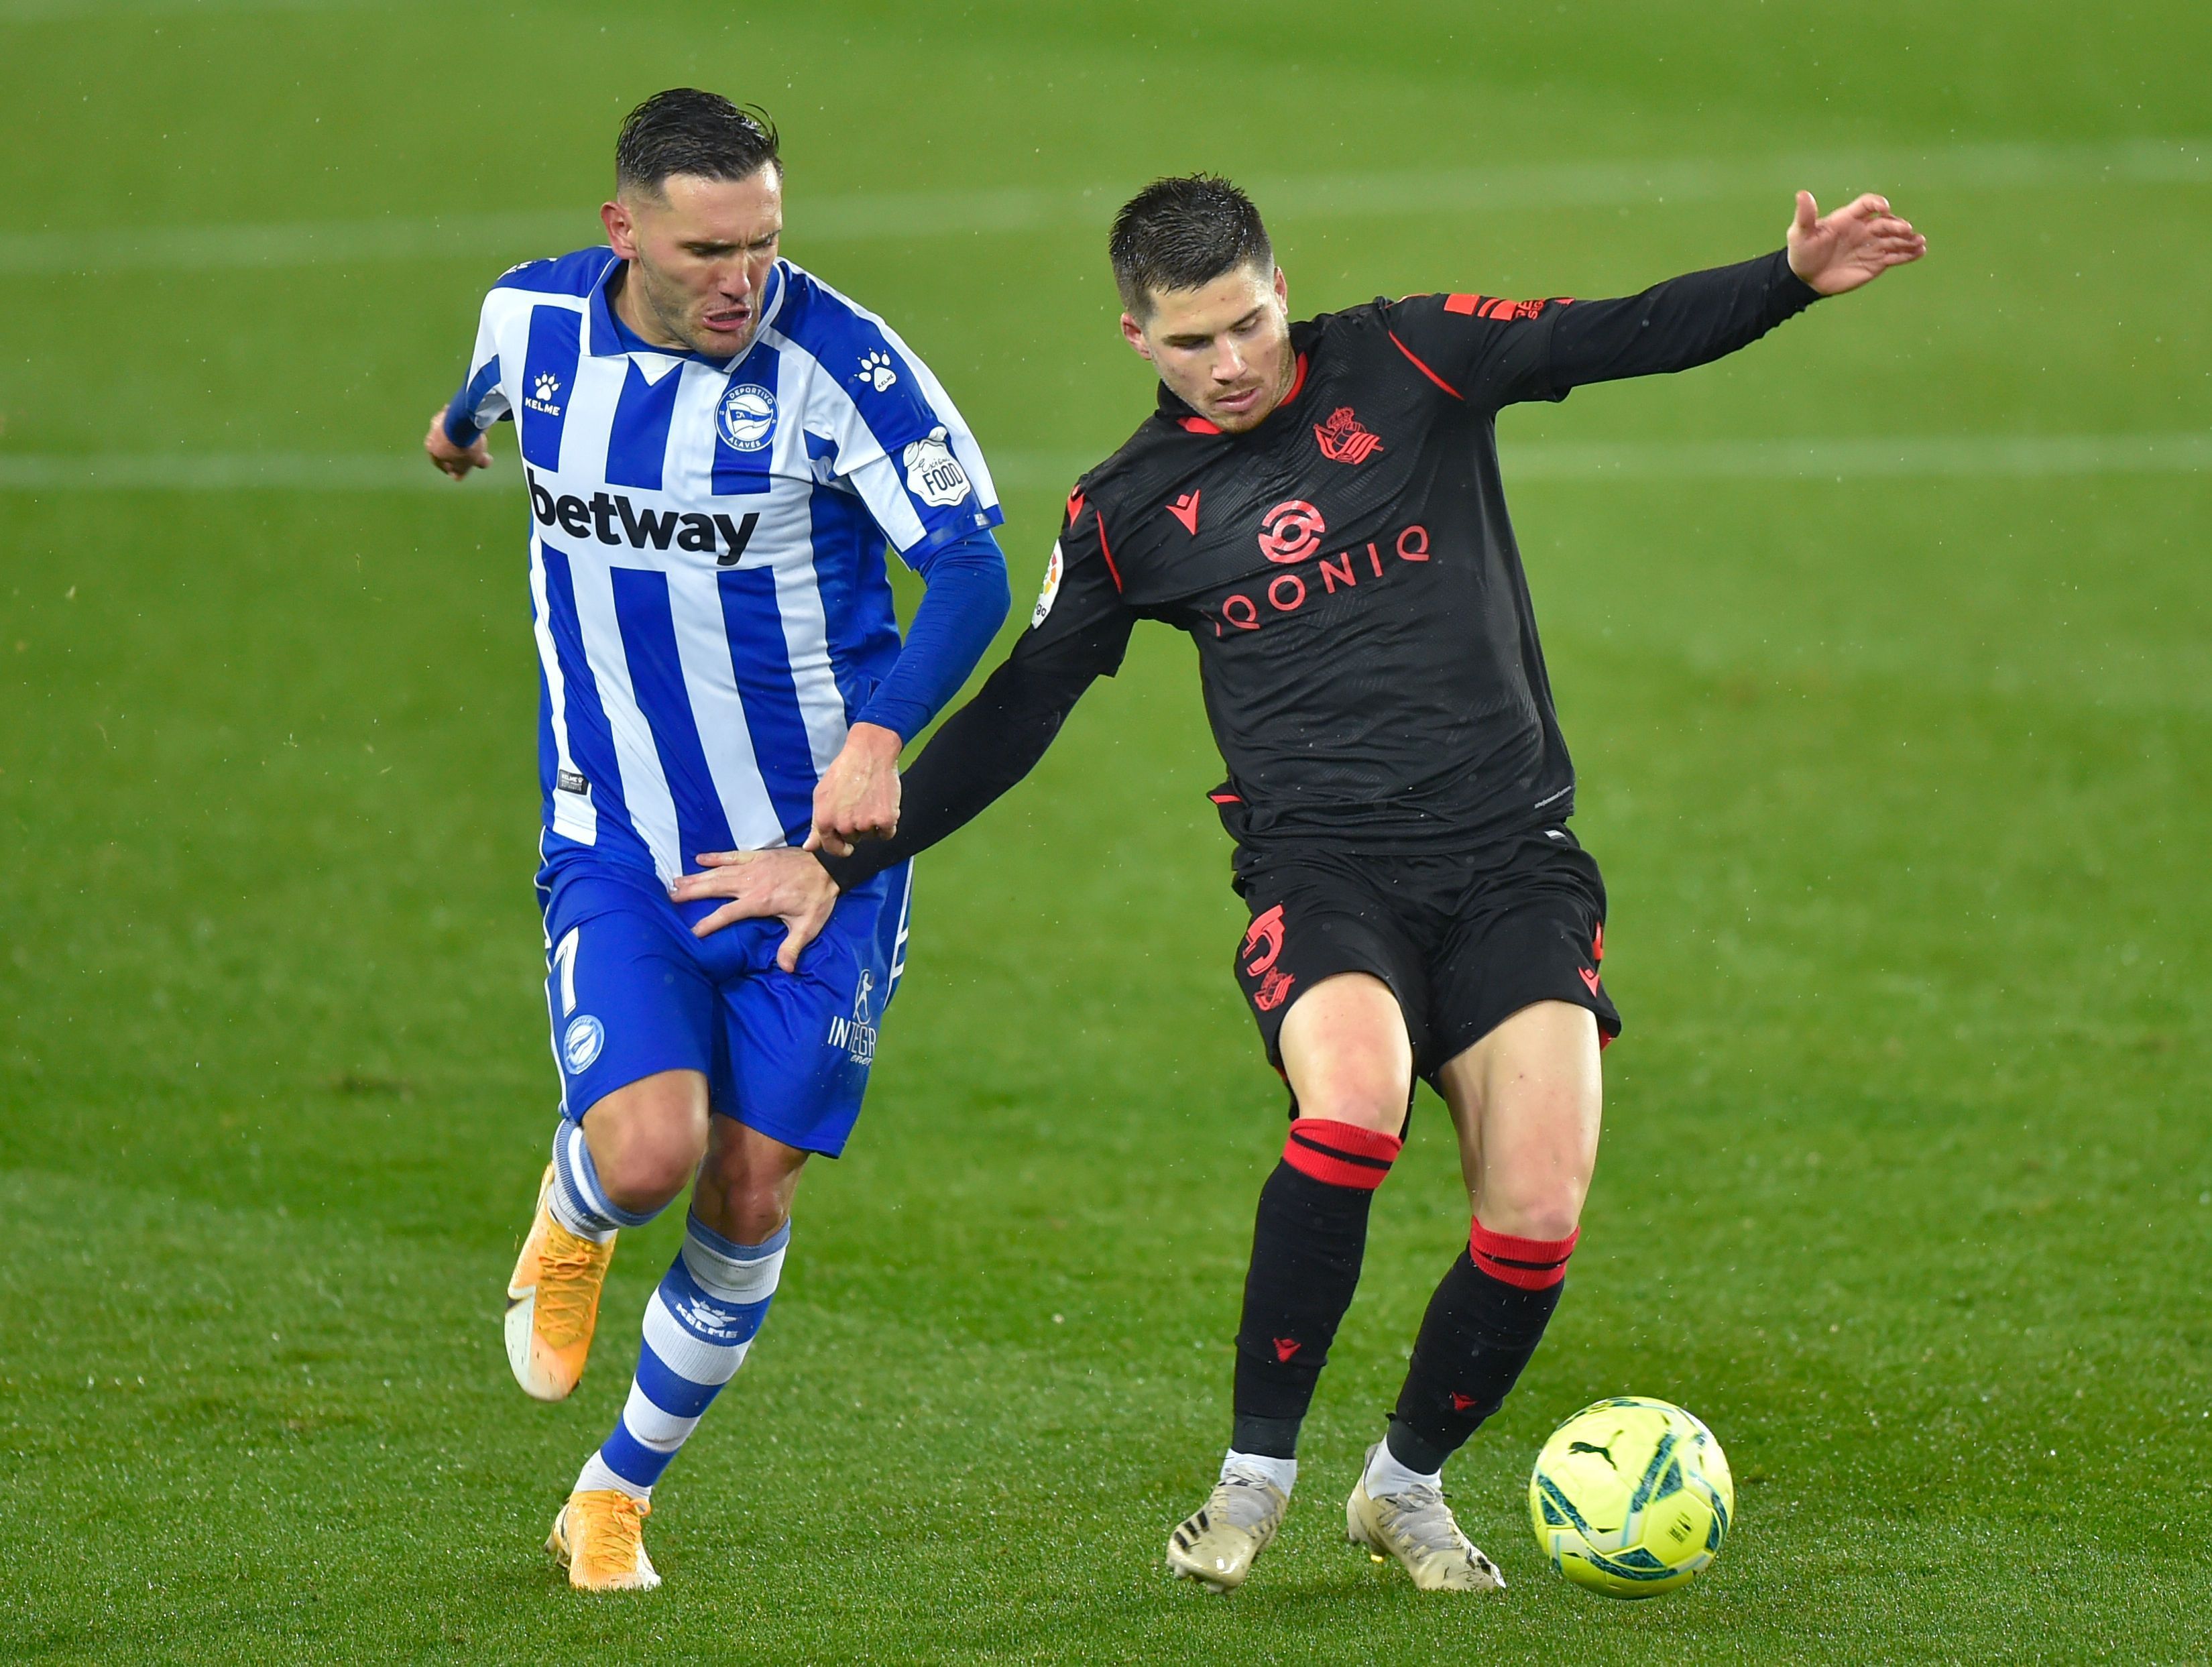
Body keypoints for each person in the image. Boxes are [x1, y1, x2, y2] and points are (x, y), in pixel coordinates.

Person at [685, 174, 1923, 1593]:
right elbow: (1027, 705)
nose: (1231, 363)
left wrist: (1785, 279)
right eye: (1194, 340)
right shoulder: (1124, 512)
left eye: (1253, 325)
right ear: (1136, 338)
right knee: (1352, 1100)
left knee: (1534, 1207)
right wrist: (839, 859)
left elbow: (1618, 330)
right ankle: (1252, 1478)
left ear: (1284, 290)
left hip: (1514, 859)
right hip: (1323, 871)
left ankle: (1402, 1487)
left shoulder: (1411, 355)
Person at [420, 89, 1010, 1591]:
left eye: (763, 242)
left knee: (748, 1185)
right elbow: (485, 382)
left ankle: (615, 1491)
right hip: (615, 825)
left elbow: (970, 568)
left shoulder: (839, 368)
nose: (742, 278)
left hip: (817, 857)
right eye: (706, 251)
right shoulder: (533, 320)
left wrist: (877, 741)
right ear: (624, 231)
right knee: (649, 1149)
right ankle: (574, 1212)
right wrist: (454, 427)